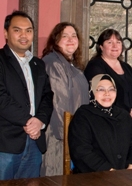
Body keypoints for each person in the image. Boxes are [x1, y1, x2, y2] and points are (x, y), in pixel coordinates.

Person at [0, 11, 53, 180]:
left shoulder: (38, 63)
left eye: (29, 30)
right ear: (6, 33)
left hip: (34, 143)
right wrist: (29, 121)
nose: (24, 35)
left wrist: (40, 121)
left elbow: (47, 96)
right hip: (5, 143)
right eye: (18, 30)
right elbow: (1, 98)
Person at [40, 22, 89, 176]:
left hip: (73, 133)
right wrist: (70, 137)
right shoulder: (53, 63)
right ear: (55, 40)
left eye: (74, 36)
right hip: (59, 137)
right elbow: (58, 104)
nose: (70, 39)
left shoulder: (72, 65)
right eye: (64, 36)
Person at [69, 74, 132, 173]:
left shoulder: (123, 115)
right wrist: (109, 171)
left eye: (111, 89)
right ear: (92, 92)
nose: (107, 93)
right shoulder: (83, 116)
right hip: (94, 176)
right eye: (101, 89)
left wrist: (131, 168)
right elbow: (81, 151)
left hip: (125, 175)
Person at [84, 29, 132, 121]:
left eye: (118, 42)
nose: (115, 46)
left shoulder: (127, 67)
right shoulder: (95, 66)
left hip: (128, 121)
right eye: (109, 42)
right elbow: (101, 94)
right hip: (105, 120)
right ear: (101, 47)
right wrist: (126, 111)